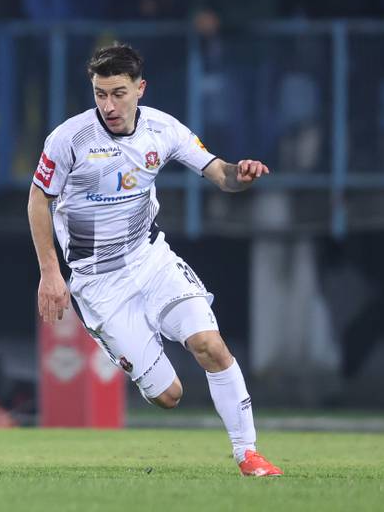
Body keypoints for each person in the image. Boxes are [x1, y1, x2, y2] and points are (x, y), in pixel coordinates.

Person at [27, 43, 282, 477]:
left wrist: (242, 173)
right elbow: (38, 200)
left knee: (211, 346)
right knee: (169, 396)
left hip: (151, 260)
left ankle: (248, 453)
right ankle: (140, 357)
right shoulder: (69, 139)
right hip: (97, 283)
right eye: (100, 94)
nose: (108, 105)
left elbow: (220, 172)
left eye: (118, 93)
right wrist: (51, 273)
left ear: (140, 88)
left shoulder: (164, 131)